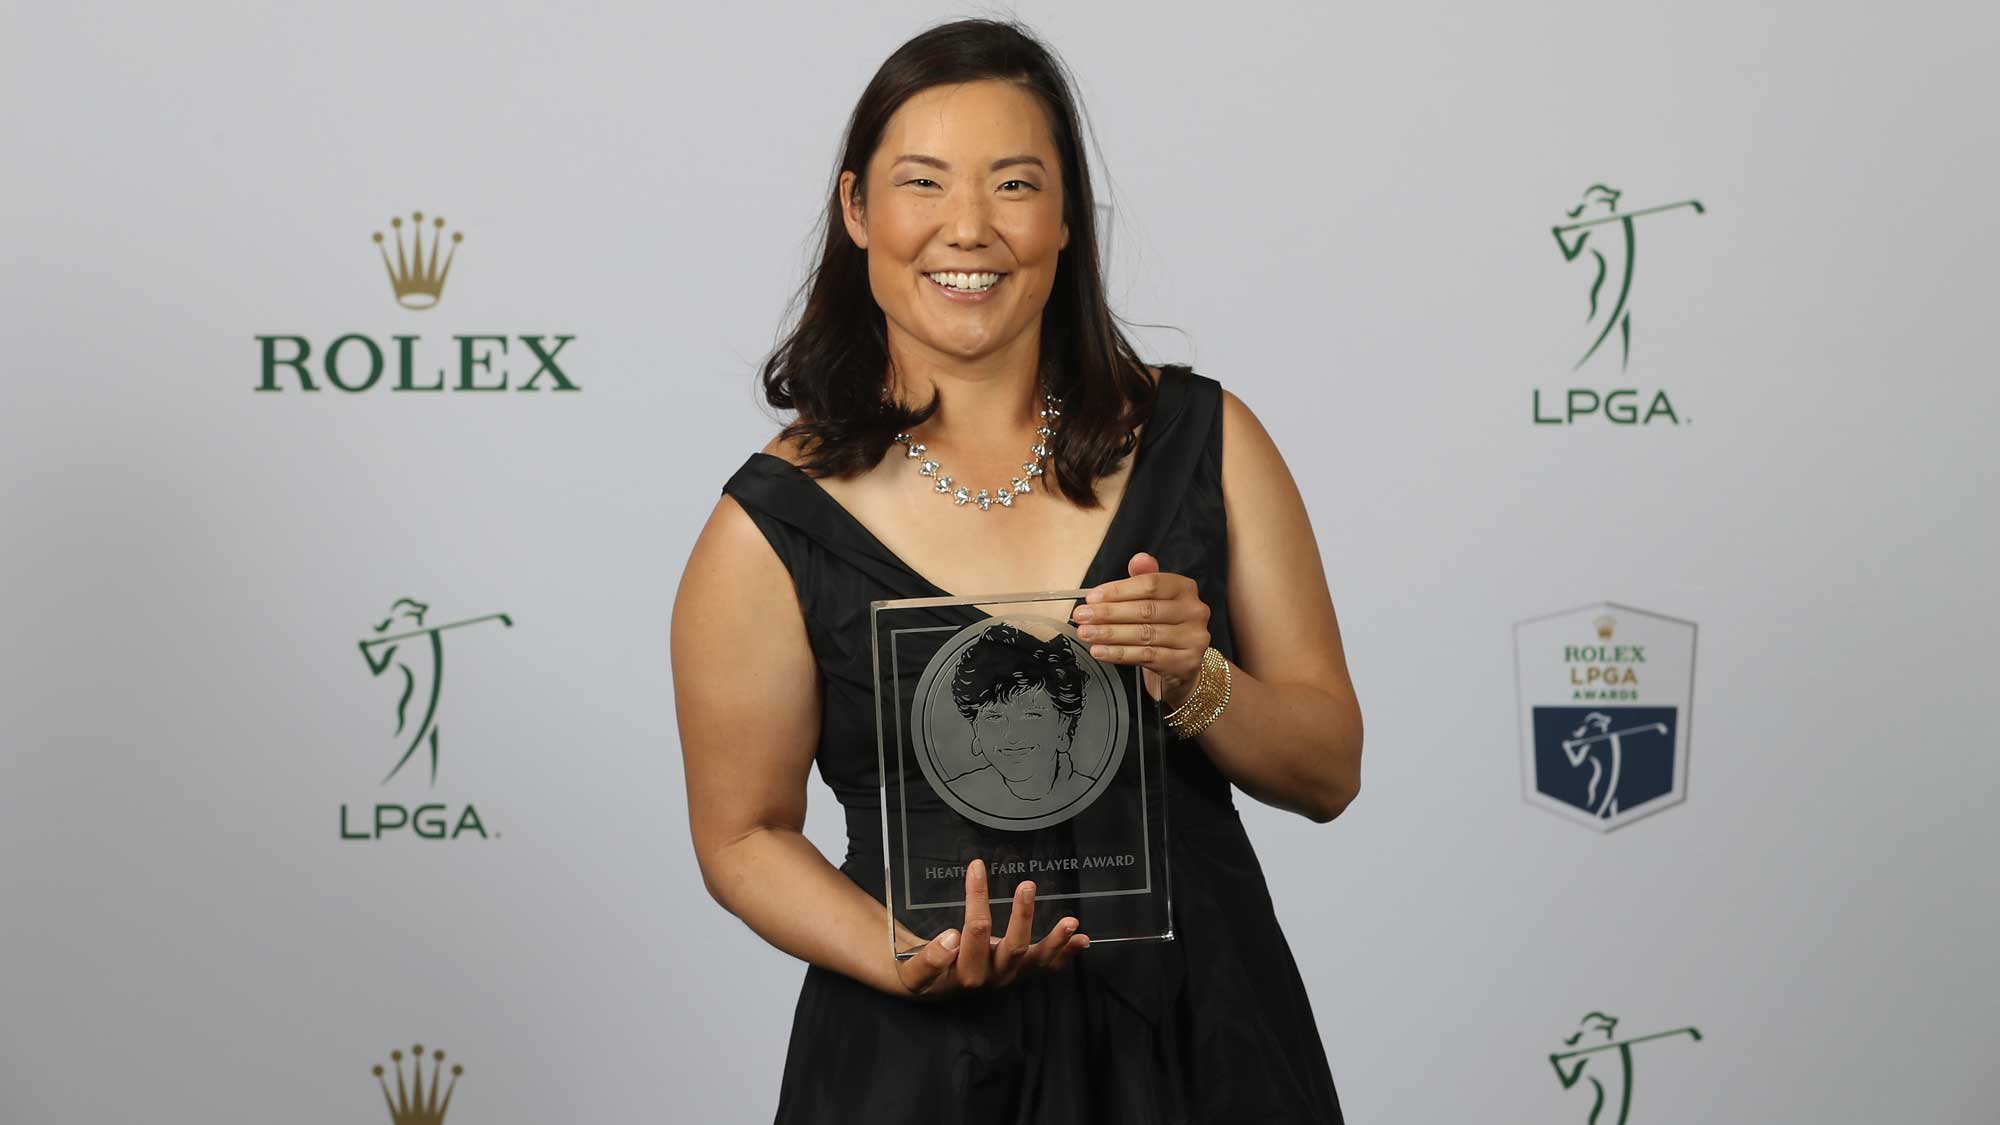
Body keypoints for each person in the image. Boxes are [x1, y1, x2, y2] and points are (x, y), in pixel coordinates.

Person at [671, 18, 1363, 1122]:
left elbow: (1328, 769)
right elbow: (742, 834)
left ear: (1065, 220)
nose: (968, 229)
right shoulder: (771, 521)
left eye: (1013, 184)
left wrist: (1197, 681)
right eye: (922, 182)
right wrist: (899, 952)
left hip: (1200, 1042)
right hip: (917, 1066)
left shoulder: (1206, 441)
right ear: (857, 210)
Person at [946, 621, 1097, 812]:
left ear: (1063, 725)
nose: (1013, 736)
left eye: (1031, 715)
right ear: (976, 728)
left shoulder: (1108, 802)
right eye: (995, 717)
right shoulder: (952, 800)